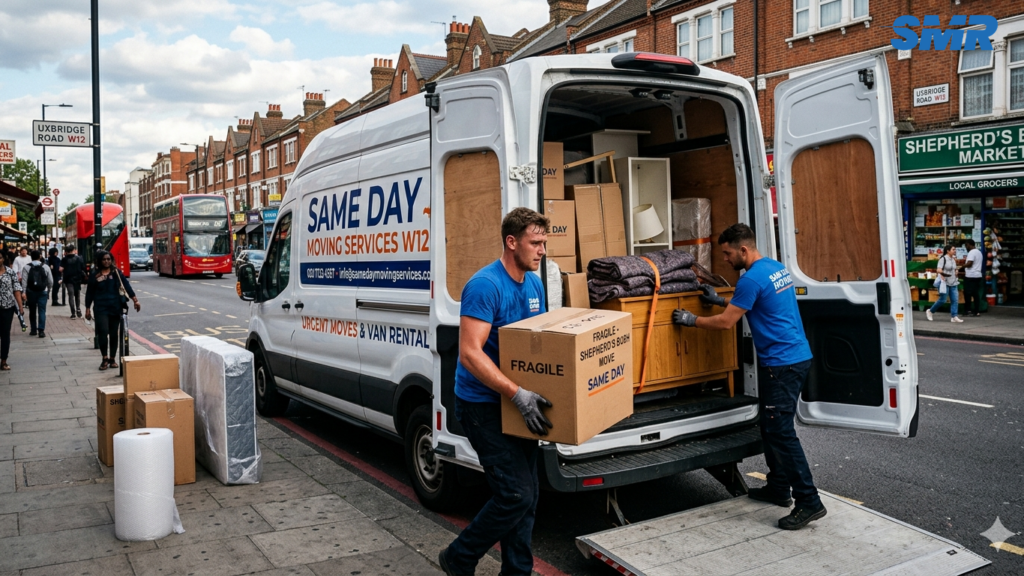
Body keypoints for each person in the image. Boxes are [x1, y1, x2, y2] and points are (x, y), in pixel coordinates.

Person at [673, 223, 825, 530]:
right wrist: (719, 299)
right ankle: (779, 488)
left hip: (781, 364)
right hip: (795, 358)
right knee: (770, 428)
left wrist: (692, 320)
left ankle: (809, 501)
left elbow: (727, 324)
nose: (726, 260)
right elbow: (754, 303)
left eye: (728, 254)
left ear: (743, 249)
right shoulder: (774, 268)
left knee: (781, 432)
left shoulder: (751, 278)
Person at [438, 208, 553, 576]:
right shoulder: (486, 285)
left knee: (528, 494)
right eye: (535, 243)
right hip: (483, 404)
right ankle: (459, 556)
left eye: (544, 243)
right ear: (511, 241)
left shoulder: (534, 283)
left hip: (519, 401)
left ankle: (516, 573)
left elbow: (540, 343)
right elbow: (470, 353)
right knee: (515, 493)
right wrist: (515, 392)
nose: (541, 251)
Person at [84, 251, 140, 370]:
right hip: (100, 308)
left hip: (115, 307)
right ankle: (104, 358)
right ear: (100, 261)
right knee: (103, 332)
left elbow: (126, 286)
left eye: (108, 259)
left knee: (114, 334)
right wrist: (87, 308)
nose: (106, 261)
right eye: (104, 259)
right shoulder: (94, 275)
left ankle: (112, 358)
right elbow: (89, 293)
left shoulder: (116, 273)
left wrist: (135, 300)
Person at [0, 252, 25, 370]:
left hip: (7, 307)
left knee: (5, 334)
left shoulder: (10, 272)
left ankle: (3, 360)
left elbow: (16, 289)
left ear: (3, 258)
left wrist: (20, 306)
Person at [20, 250, 52, 338]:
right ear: (40, 256)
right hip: (43, 291)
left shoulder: (26, 267)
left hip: (31, 291)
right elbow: (50, 281)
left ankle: (33, 330)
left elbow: (24, 281)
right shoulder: (45, 266)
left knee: (32, 311)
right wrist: (48, 289)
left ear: (31, 257)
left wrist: (24, 292)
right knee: (42, 310)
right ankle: (41, 330)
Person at [926, 245, 962, 323]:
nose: (954, 250)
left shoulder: (953, 259)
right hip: (944, 282)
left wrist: (956, 271)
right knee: (943, 300)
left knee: (955, 300)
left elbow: (954, 268)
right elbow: (938, 270)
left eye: (955, 249)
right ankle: (930, 311)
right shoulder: (943, 259)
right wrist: (943, 274)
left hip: (953, 281)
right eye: (953, 249)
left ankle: (954, 316)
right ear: (948, 251)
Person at [61, 246, 86, 318]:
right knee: (77, 295)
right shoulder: (79, 258)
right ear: (73, 250)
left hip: (68, 279)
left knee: (71, 295)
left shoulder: (64, 259)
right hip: (77, 279)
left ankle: (73, 313)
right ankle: (78, 308)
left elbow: (60, 269)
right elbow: (83, 267)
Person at [962, 239, 984, 318]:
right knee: (975, 294)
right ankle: (977, 311)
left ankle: (968, 310)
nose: (966, 247)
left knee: (967, 293)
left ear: (969, 244)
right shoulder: (979, 252)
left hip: (971, 276)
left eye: (966, 245)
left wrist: (961, 266)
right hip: (978, 275)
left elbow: (969, 263)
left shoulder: (971, 252)